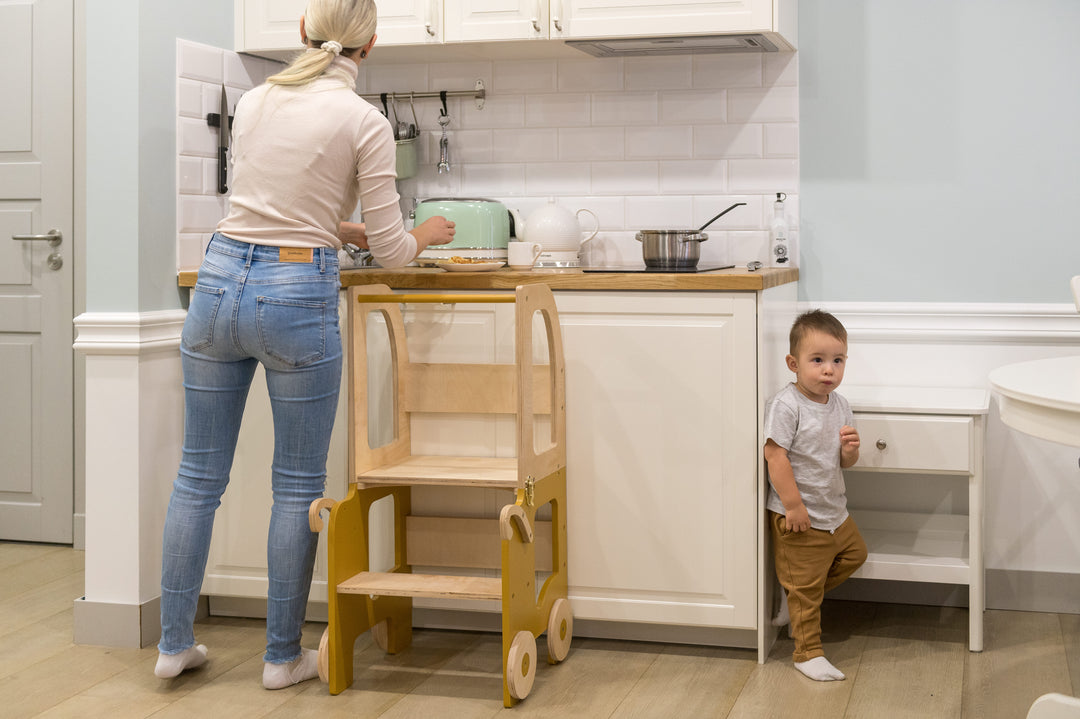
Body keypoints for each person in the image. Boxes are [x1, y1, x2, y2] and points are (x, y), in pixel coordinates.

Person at [155, 0, 454, 690]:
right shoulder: (363, 120)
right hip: (294, 296)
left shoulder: (257, 99)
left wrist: (339, 231)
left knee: (198, 476)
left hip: (220, 277)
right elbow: (390, 251)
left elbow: (272, 209)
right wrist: (425, 237)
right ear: (371, 44)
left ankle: (173, 642)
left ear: (300, 32)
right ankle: (281, 657)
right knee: (295, 486)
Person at [763, 309, 867, 682]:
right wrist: (792, 505)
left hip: (833, 511)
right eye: (818, 360)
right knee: (806, 590)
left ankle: (797, 601)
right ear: (793, 363)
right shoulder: (786, 405)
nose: (829, 370)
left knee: (856, 554)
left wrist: (851, 450)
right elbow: (774, 455)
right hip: (799, 515)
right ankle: (807, 652)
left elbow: (844, 462)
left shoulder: (840, 404)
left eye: (837, 361)